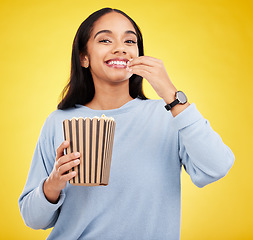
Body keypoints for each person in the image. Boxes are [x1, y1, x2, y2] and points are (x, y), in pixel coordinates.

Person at [18, 8, 235, 240]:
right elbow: (33, 219)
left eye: (129, 40)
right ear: (84, 57)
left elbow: (218, 166)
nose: (120, 47)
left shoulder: (168, 117)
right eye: (105, 39)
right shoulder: (58, 122)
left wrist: (172, 96)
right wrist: (53, 184)